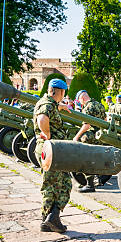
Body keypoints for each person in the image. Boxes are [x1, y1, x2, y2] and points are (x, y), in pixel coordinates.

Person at [33, 79, 71, 233]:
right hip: (52, 151)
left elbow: (50, 108)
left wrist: (61, 107)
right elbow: (43, 117)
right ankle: (53, 217)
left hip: (48, 151)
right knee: (64, 185)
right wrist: (47, 133)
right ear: (60, 92)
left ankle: (46, 221)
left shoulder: (46, 102)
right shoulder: (47, 105)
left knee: (50, 184)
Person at [73, 90, 107, 193]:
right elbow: (105, 120)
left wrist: (76, 137)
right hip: (101, 136)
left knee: (85, 156)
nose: (80, 103)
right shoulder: (100, 105)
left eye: (79, 101)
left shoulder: (88, 107)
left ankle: (89, 184)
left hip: (91, 137)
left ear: (82, 98)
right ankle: (98, 179)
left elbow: (87, 125)